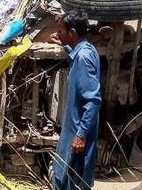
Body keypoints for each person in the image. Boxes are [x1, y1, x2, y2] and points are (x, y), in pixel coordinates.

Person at [51, 10, 101, 190]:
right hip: (73, 128)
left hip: (77, 130)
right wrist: (65, 46)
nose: (58, 34)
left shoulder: (84, 57)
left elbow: (93, 100)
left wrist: (80, 135)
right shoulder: (85, 49)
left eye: (61, 31)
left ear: (72, 33)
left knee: (67, 179)